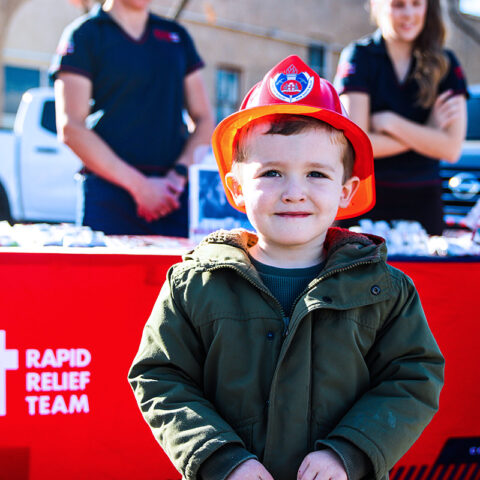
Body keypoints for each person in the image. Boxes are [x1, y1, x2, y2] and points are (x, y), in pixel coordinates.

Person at [128, 55, 444, 480]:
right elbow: (160, 378)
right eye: (272, 172)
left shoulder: (385, 291)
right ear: (236, 189)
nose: (294, 192)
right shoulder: (194, 285)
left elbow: (413, 379)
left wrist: (349, 452)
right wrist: (221, 459)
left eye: (316, 174)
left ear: (346, 191)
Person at [50, 0, 214, 236]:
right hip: (109, 200)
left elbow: (205, 120)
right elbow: (70, 127)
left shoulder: (176, 36)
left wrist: (178, 177)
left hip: (174, 197)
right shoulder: (85, 34)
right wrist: (140, 187)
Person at [334, 0, 468, 234]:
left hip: (423, 202)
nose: (408, 14)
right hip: (364, 199)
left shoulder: (445, 64)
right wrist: (429, 134)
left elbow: (451, 148)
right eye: (398, 5)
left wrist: (390, 123)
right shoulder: (359, 56)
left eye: (416, 4)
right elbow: (357, 144)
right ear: (377, 5)